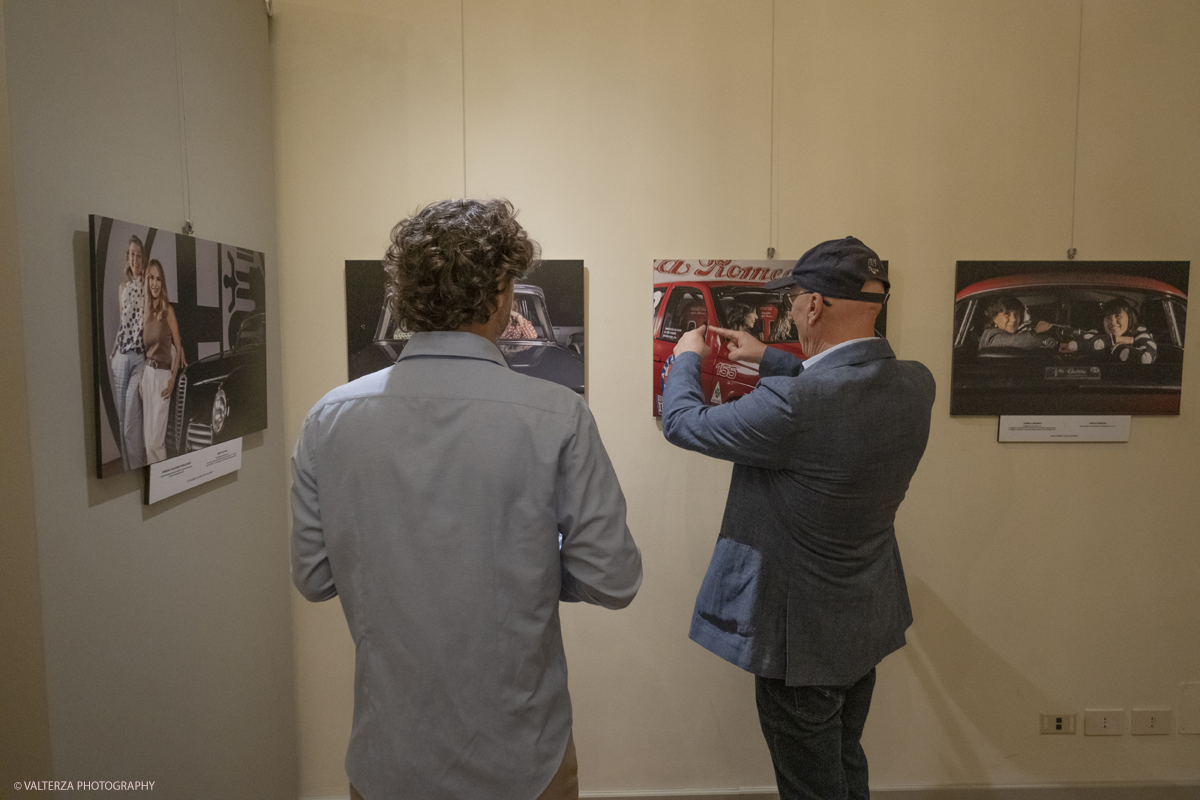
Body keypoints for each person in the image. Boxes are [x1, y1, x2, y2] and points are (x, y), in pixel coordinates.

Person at [291, 198, 642, 800]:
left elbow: (315, 577)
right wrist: (525, 562)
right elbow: (613, 579)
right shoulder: (556, 414)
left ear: (405, 297)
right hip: (522, 758)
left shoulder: (329, 418)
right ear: (503, 294)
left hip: (388, 759)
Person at [660, 236, 934, 800]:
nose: (792, 310)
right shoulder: (916, 384)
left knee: (811, 786)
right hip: (863, 622)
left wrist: (687, 354)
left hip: (800, 640)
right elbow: (843, 383)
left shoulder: (793, 407)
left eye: (794, 301)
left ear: (811, 306)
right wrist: (769, 357)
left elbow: (683, 423)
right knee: (843, 760)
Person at [139, 259, 186, 463]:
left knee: (155, 443)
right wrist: (143, 380)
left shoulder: (168, 311)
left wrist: (173, 380)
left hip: (163, 379)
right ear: (147, 281)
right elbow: (146, 349)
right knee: (147, 441)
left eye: (158, 279)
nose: (155, 283)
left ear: (162, 282)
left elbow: (178, 345)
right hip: (148, 377)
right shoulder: (146, 312)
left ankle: (162, 488)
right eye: (151, 278)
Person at [109, 234, 148, 470]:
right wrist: (113, 351)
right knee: (122, 419)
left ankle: (136, 469)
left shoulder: (148, 284)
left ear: (143, 259)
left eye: (138, 254)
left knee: (131, 422)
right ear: (128, 258)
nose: (134, 258)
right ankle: (127, 470)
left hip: (139, 359)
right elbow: (122, 324)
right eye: (131, 254)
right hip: (120, 357)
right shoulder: (122, 287)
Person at [1074, 297, 1157, 364]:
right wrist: (1117, 339)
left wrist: (1112, 348)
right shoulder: (1098, 331)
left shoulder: (1140, 332)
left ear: (1129, 318)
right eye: (1108, 318)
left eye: (1118, 316)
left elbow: (1146, 358)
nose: (1113, 322)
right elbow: (1074, 344)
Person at [977, 295, 1061, 351]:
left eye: (1017, 314)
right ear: (994, 318)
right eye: (1007, 314)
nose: (1014, 319)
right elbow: (1020, 341)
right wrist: (1036, 330)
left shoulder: (1014, 334)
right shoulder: (991, 335)